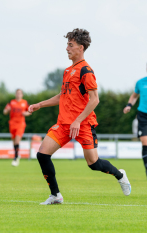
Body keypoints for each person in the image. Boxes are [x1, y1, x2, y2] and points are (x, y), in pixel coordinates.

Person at [28, 28, 131, 205]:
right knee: (42, 154)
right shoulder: (68, 71)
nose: (67, 48)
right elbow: (63, 96)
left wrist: (78, 120)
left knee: (94, 164)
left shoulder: (86, 71)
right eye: (67, 45)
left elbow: (94, 99)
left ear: (81, 48)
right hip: (63, 124)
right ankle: (55, 195)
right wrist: (40, 104)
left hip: (83, 124)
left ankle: (120, 175)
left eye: (70, 45)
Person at [3, 89, 31, 166]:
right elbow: (4, 111)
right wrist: (7, 110)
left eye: (20, 93)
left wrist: (26, 113)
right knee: (14, 141)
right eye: (17, 93)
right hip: (12, 124)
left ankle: (15, 158)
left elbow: (30, 111)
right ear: (15, 94)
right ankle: (17, 155)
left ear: (22, 95)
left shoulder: (25, 102)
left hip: (20, 124)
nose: (18, 94)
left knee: (17, 140)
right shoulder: (11, 102)